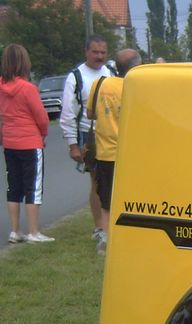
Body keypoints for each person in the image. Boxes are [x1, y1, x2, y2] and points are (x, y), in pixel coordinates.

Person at [87, 48, 142, 255]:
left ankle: (106, 238)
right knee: (132, 198)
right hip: (130, 153)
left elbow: (90, 113)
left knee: (107, 200)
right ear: (136, 66)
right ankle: (130, 236)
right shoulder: (136, 87)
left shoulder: (100, 84)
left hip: (105, 152)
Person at [59, 34, 111, 242]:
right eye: (95, 52)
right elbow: (67, 113)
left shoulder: (111, 72)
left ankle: (110, 224)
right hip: (89, 136)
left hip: (111, 134)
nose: (99, 56)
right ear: (86, 52)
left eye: (103, 52)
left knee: (111, 182)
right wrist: (73, 145)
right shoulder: (76, 77)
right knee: (97, 182)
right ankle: (99, 227)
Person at [0, 44, 51, 243]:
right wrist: (43, 134)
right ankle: (33, 232)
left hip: (10, 142)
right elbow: (42, 117)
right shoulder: (28, 88)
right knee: (33, 187)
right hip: (30, 141)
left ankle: (15, 231)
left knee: (14, 186)